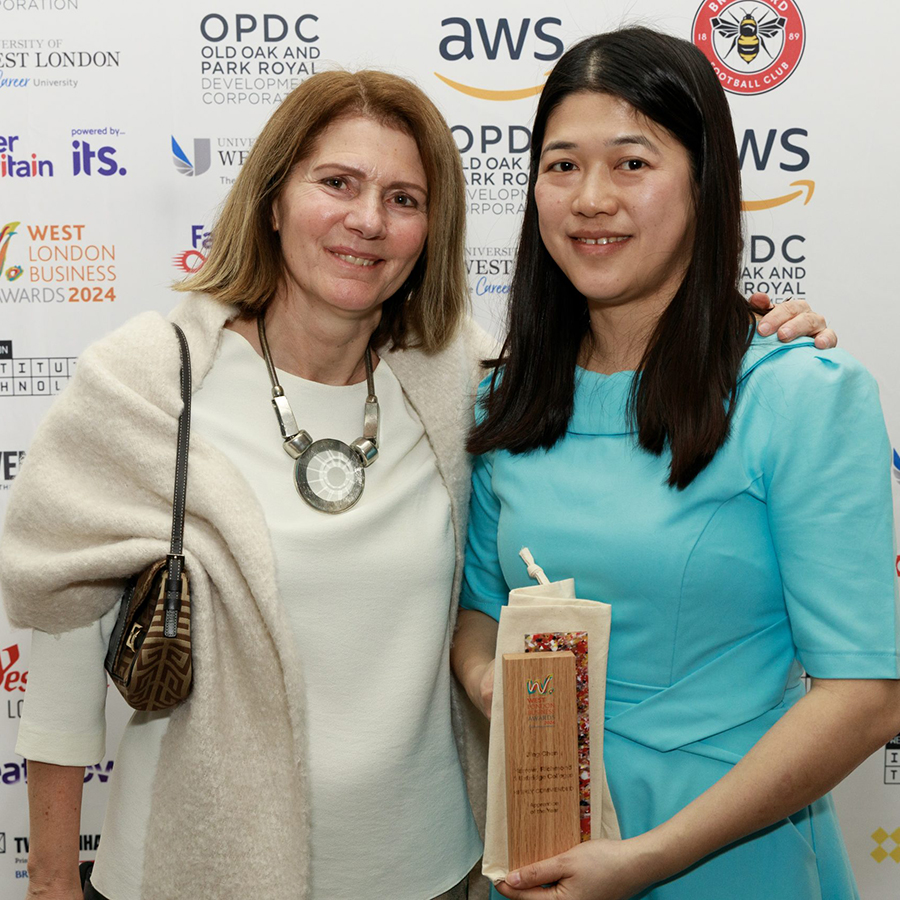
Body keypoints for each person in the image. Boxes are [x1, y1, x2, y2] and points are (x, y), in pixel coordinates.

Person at [0, 67, 831, 900]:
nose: (368, 220)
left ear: (432, 230)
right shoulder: (151, 381)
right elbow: (66, 638)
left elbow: (616, 370)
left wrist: (747, 334)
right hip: (200, 873)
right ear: (273, 197)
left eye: (404, 199)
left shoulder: (454, 382)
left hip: (436, 872)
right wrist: (48, 881)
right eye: (337, 183)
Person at [451, 27, 899, 900]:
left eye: (631, 163)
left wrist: (648, 859)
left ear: (704, 183)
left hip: (725, 855)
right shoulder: (503, 402)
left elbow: (866, 694)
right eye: (561, 165)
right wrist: (498, 686)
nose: (589, 199)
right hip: (544, 846)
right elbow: (477, 614)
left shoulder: (801, 393)